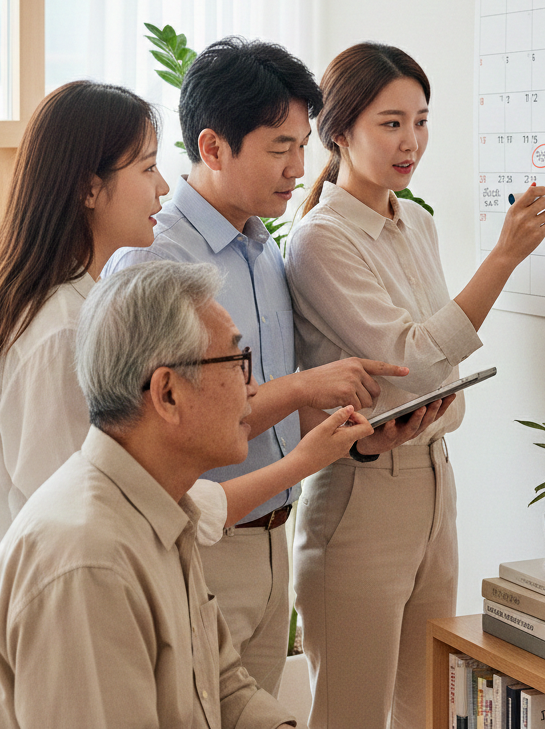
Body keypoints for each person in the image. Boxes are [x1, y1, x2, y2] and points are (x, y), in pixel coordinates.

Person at [0, 80, 367, 725]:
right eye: (145, 168)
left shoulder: (81, 304)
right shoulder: (62, 334)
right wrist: (300, 456)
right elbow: (81, 508)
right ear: (88, 187)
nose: (163, 188)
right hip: (19, 600)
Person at [104, 37, 407, 695]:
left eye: (303, 145)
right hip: (203, 545)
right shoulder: (155, 262)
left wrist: (354, 434)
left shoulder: (261, 247)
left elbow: (273, 404)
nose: (299, 167)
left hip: (276, 541)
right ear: (212, 148)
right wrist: (304, 386)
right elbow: (157, 429)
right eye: (280, 148)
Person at [0, 261, 371, 729]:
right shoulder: (91, 560)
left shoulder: (165, 507)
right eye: (237, 364)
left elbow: (223, 684)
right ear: (167, 393)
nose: (252, 389)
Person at [285, 42, 545, 729]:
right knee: (349, 713)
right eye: (391, 123)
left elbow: (439, 367)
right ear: (340, 129)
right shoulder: (320, 238)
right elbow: (414, 360)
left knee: (427, 708)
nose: (412, 142)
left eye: (422, 121)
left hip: (435, 478)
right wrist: (503, 258)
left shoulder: (418, 224)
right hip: (362, 495)